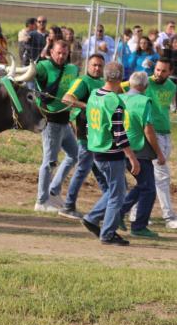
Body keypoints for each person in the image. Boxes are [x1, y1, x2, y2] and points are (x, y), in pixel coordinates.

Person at [80, 61, 140, 246]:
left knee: (116, 190)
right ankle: (107, 233)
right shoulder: (114, 100)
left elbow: (88, 123)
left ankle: (92, 218)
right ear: (120, 77)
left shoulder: (94, 95)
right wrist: (131, 157)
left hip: (96, 150)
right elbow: (119, 133)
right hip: (111, 153)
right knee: (118, 195)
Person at [135, 58, 177, 229]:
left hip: (165, 133)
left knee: (151, 176)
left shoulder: (172, 86)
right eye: (157, 70)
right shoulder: (145, 83)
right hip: (151, 133)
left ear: (170, 72)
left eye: (163, 71)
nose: (159, 73)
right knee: (162, 176)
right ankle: (169, 217)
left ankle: (136, 211)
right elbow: (124, 88)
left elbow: (164, 109)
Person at [57, 54, 108, 220]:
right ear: (88, 66)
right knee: (84, 168)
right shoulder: (83, 81)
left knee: (99, 170)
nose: (97, 68)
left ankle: (112, 202)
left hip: (98, 132)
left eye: (100, 66)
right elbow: (66, 98)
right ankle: (68, 205)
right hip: (85, 130)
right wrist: (87, 106)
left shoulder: (101, 83)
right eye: (94, 65)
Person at [33, 39, 79, 213]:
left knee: (74, 155)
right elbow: (34, 72)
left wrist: (72, 119)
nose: (61, 56)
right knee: (49, 162)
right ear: (51, 52)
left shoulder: (72, 69)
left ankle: (53, 190)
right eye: (58, 52)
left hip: (65, 122)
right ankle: (41, 201)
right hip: (50, 123)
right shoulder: (44, 67)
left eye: (64, 53)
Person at [120, 71, 166, 239]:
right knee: (149, 189)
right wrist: (159, 153)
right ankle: (138, 226)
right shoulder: (144, 101)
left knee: (143, 185)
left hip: (121, 148)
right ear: (146, 86)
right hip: (138, 149)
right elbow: (148, 130)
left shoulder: (120, 98)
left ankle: (120, 213)